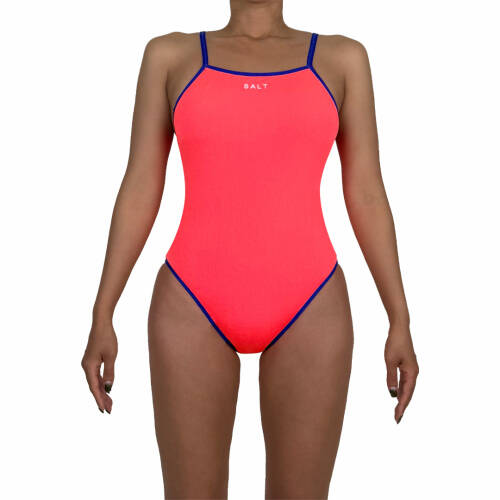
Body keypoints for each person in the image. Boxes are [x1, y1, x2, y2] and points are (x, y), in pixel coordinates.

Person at [82, 0, 419, 498]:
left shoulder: (342, 59)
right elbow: (140, 187)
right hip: (191, 301)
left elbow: (366, 193)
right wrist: (103, 312)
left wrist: (399, 318)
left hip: (310, 302)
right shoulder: (170, 57)